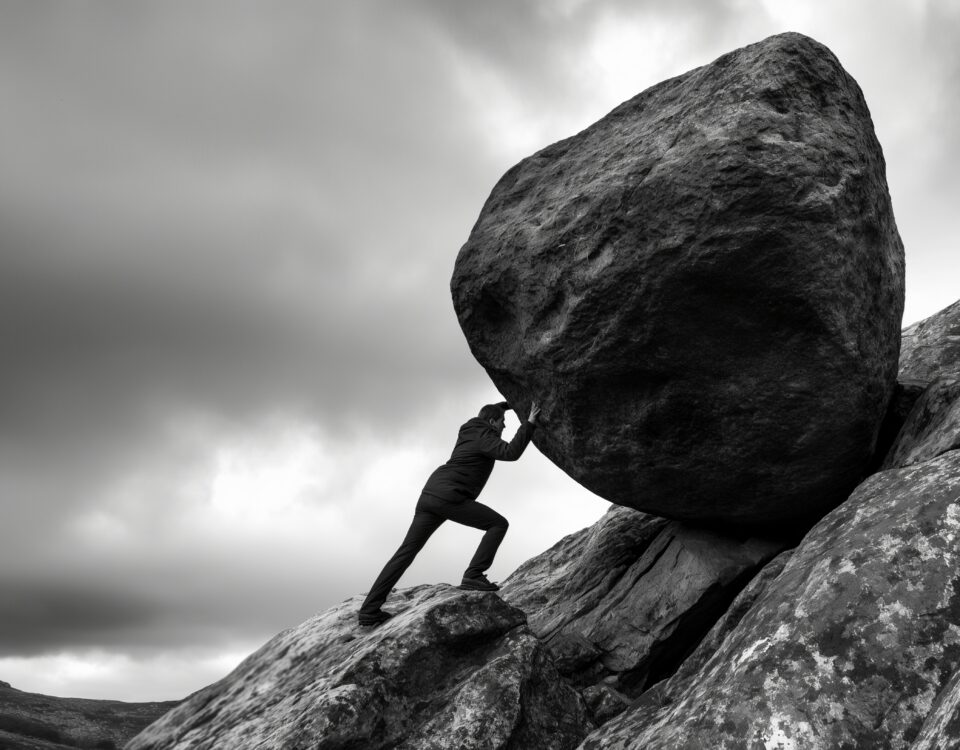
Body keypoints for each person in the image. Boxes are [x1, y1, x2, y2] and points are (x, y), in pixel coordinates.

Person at [357, 400, 541, 627]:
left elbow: (492, 410)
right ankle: (474, 575)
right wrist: (529, 424)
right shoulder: (484, 436)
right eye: (503, 423)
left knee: (405, 553)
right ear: (492, 423)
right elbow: (510, 452)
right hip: (450, 496)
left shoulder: (471, 429)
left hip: (431, 494)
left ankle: (369, 611)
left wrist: (509, 404)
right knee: (498, 524)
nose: (505, 427)